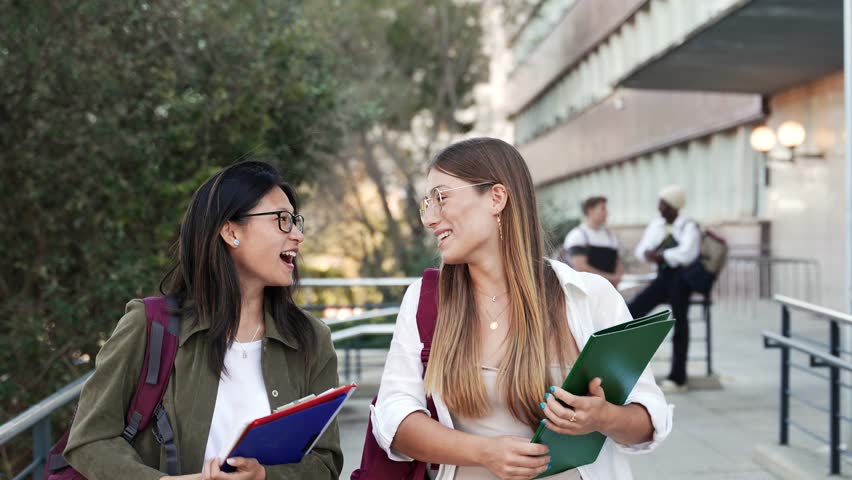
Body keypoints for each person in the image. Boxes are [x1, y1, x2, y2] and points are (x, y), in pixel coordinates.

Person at [371, 138, 672, 480]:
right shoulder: (425, 300)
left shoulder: (589, 296)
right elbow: (393, 418)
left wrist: (602, 417)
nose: (430, 219)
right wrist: (484, 452)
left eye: (441, 198)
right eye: (427, 204)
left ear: (496, 198)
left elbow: (651, 420)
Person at [64, 161, 343, 479]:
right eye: (282, 220)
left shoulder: (310, 338)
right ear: (230, 230)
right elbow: (90, 439)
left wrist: (264, 476)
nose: (298, 236)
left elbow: (325, 462)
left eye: (296, 221)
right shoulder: (149, 325)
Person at [628, 185, 701, 393]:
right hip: (662, 278)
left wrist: (663, 256)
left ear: (673, 207)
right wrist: (651, 255)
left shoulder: (688, 226)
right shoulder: (657, 225)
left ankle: (678, 378)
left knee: (680, 325)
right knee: (632, 311)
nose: (659, 207)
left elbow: (687, 253)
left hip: (681, 279)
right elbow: (642, 249)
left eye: (663, 203)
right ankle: (628, 367)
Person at [562, 196, 623, 288]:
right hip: (586, 291)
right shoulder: (577, 235)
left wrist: (617, 278)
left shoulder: (610, 236)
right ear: (590, 210)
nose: (607, 213)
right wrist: (611, 278)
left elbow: (617, 262)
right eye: (603, 208)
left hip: (609, 290)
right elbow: (581, 267)